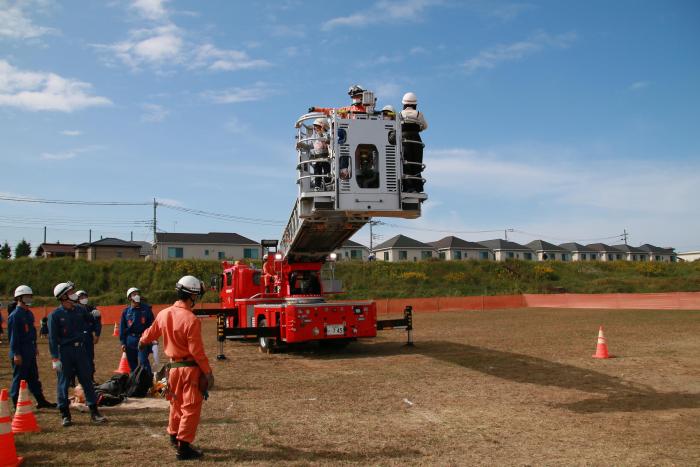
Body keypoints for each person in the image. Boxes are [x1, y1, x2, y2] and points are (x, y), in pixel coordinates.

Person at [139, 275, 214, 461]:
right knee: (190, 407)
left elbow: (150, 334)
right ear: (192, 296)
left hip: (172, 369)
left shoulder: (164, 314)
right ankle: (184, 447)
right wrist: (208, 372)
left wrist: (142, 341)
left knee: (175, 403)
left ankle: (173, 435)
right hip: (189, 369)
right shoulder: (191, 319)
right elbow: (197, 351)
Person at [48, 281, 106, 426]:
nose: (73, 294)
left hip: (80, 350)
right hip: (65, 352)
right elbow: (52, 339)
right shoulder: (55, 315)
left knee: (87, 381)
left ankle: (94, 412)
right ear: (62, 297)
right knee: (63, 383)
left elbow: (91, 319)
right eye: (70, 292)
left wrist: (95, 315)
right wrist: (55, 358)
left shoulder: (80, 310)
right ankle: (65, 415)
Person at [8, 285, 55, 409]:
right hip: (20, 350)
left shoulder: (28, 314)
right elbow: (13, 337)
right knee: (19, 378)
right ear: (19, 298)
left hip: (29, 349)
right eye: (26, 296)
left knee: (33, 376)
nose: (29, 298)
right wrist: (16, 353)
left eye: (30, 296)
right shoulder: (15, 315)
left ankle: (41, 400)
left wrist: (35, 346)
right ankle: (15, 403)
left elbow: (32, 332)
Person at [120, 287, 154, 374]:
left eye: (138, 294)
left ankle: (149, 383)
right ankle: (135, 384)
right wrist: (123, 343)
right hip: (130, 340)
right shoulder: (125, 312)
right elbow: (122, 328)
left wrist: (152, 338)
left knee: (143, 362)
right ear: (129, 298)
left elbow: (152, 325)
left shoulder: (146, 309)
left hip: (143, 339)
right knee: (132, 365)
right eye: (134, 294)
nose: (137, 296)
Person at [399, 92, 428, 193]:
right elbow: (425, 126)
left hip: (404, 141)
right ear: (415, 104)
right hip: (416, 140)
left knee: (406, 163)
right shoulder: (419, 114)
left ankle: (407, 187)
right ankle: (417, 187)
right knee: (416, 163)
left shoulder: (400, 114)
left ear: (404, 104)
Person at [76, 290, 101, 382]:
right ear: (77, 299)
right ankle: (73, 380)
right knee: (76, 359)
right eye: (81, 297)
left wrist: (97, 334)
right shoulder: (74, 309)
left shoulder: (92, 309)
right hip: (77, 338)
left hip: (88, 338)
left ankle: (91, 378)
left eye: (85, 297)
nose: (84, 299)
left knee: (90, 358)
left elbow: (97, 323)